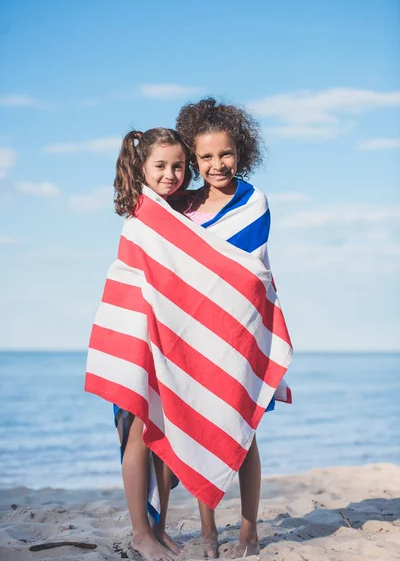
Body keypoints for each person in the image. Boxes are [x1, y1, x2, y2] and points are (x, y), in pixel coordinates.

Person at [175, 98, 290, 559]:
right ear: (193, 158)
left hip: (241, 333)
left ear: (240, 151)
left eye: (225, 154)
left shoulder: (253, 201)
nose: (216, 164)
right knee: (199, 431)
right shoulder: (182, 207)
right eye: (205, 157)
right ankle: (207, 530)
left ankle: (247, 529)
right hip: (194, 330)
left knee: (244, 433)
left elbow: (247, 273)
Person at [110, 128, 191, 561]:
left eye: (178, 165)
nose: (171, 174)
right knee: (139, 433)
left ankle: (159, 527)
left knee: (166, 433)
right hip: (139, 337)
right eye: (160, 166)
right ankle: (141, 532)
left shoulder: (176, 213)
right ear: (141, 168)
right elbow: (135, 279)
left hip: (170, 338)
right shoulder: (142, 213)